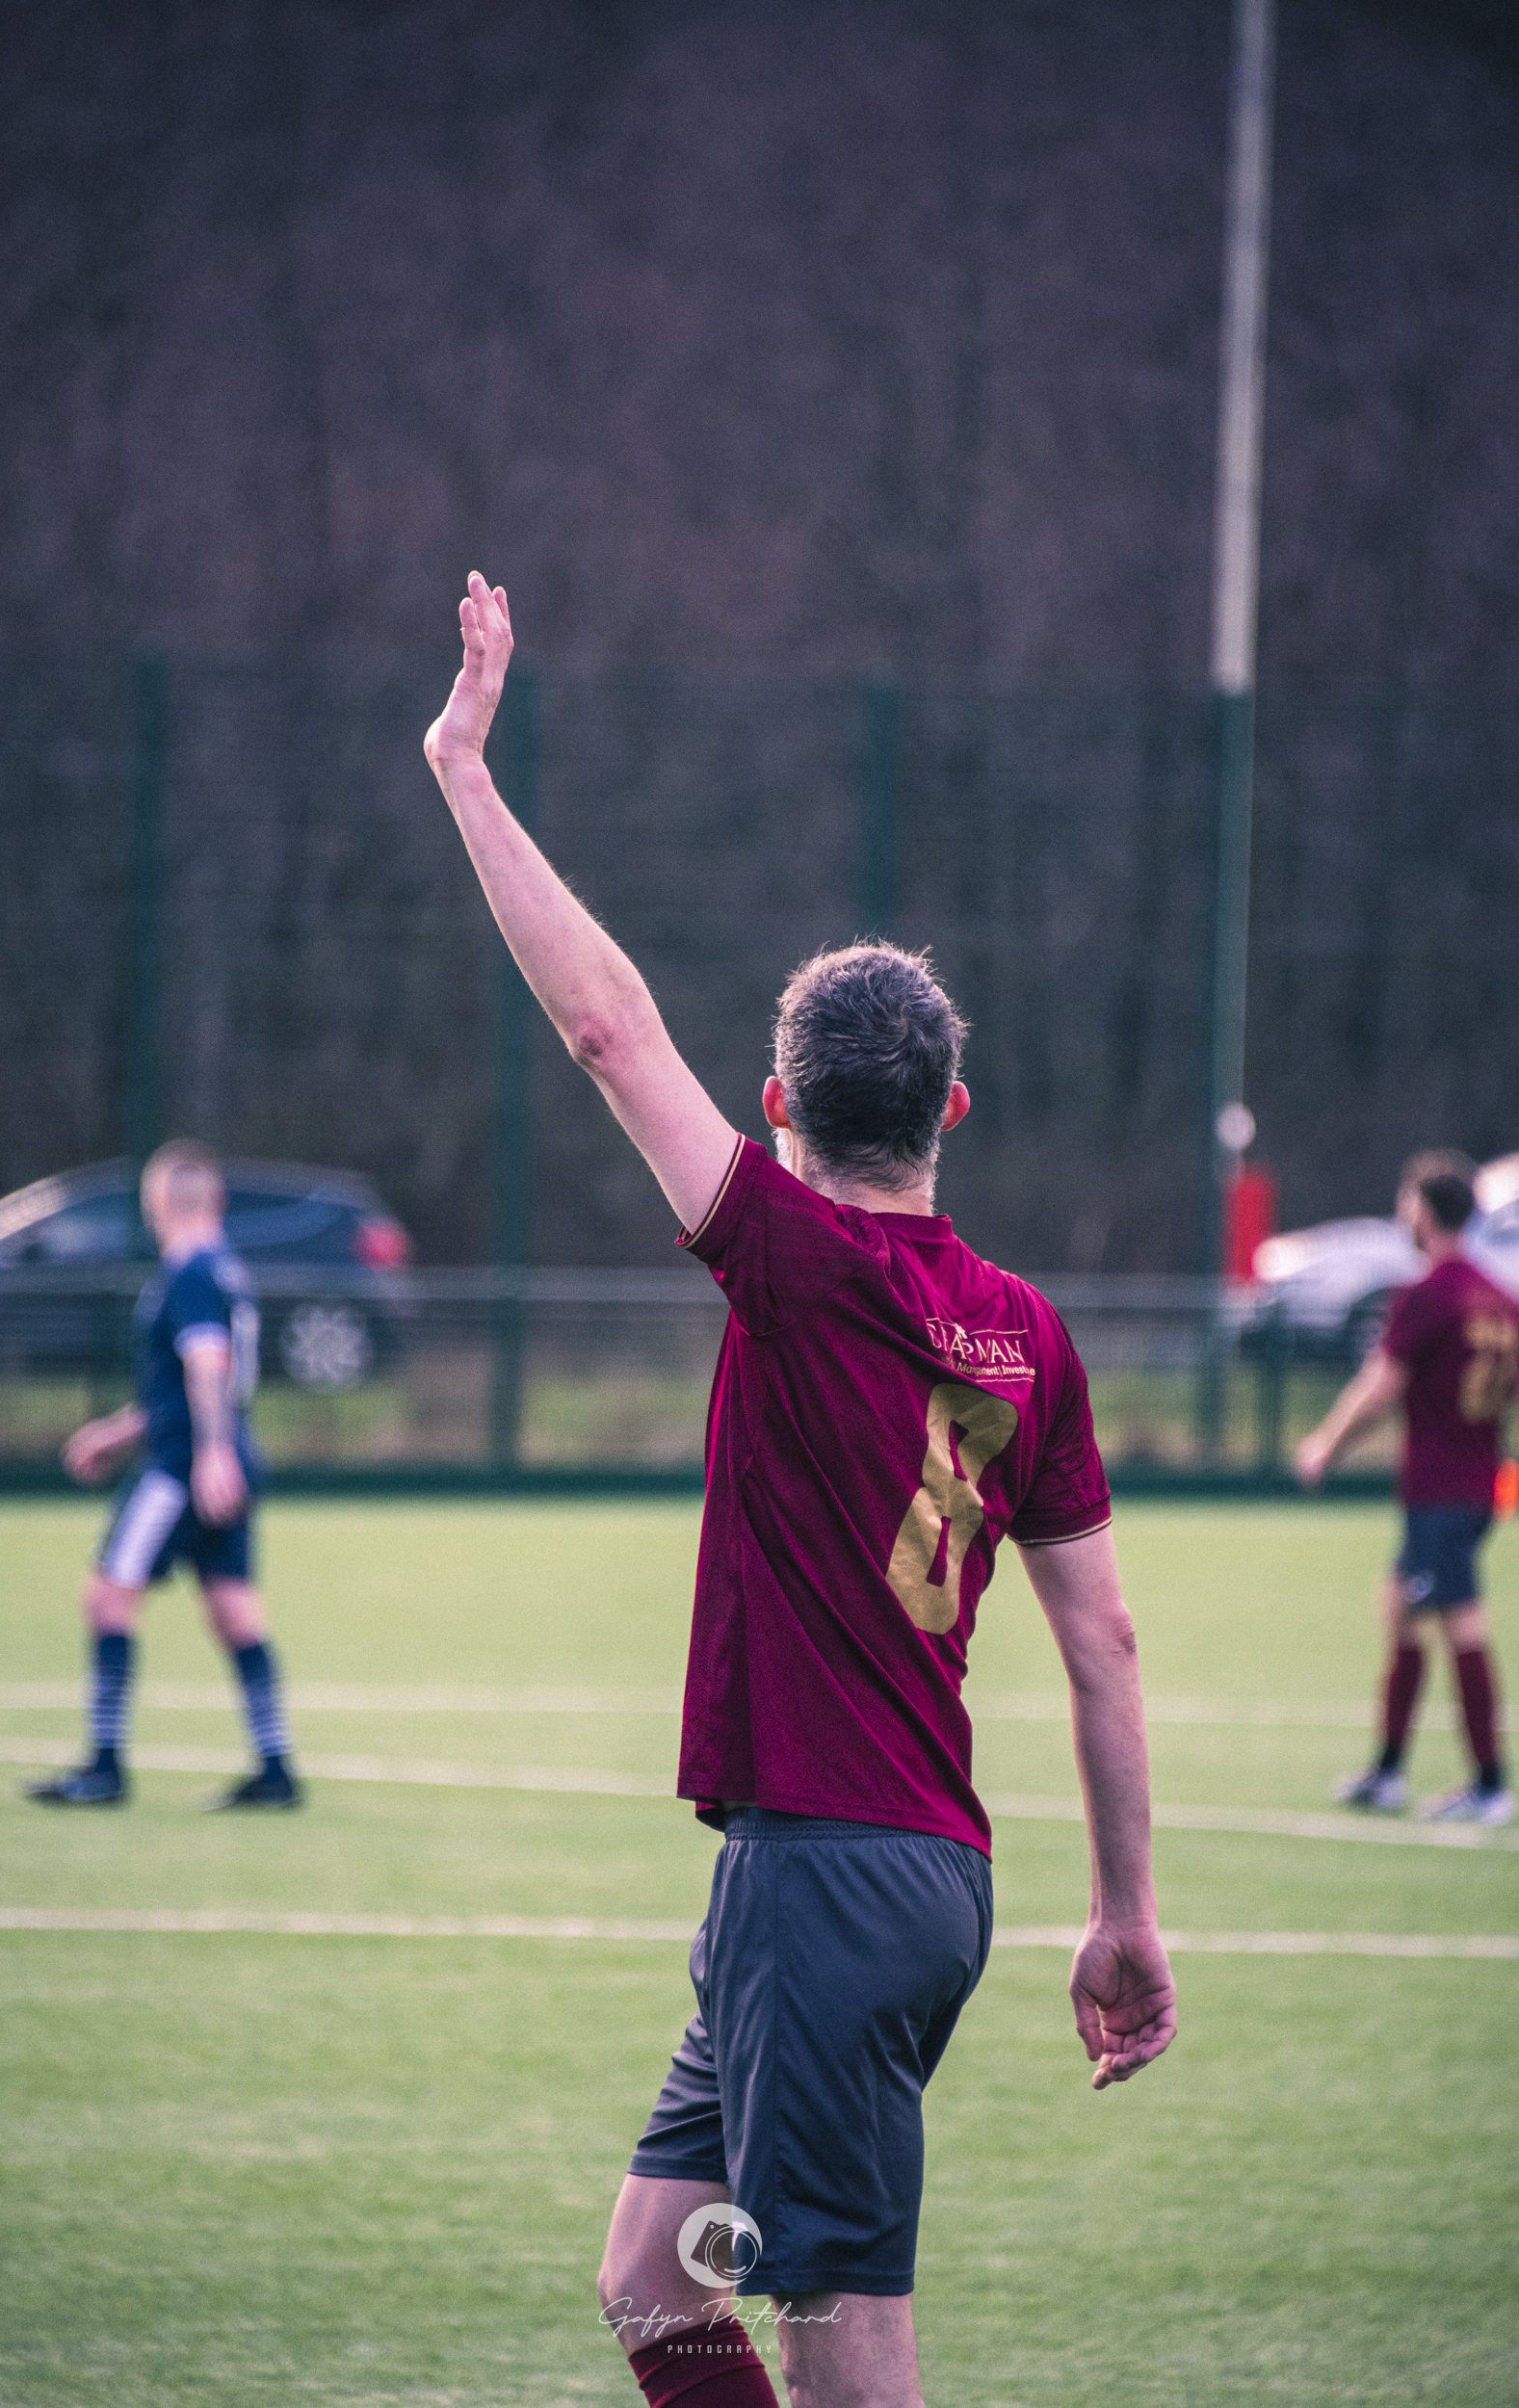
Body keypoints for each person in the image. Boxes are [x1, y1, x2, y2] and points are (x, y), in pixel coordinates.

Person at [424, 575, 1175, 2408]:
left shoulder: (787, 1258)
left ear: (774, 1107)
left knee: (844, 2342)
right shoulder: (1026, 1339)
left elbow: (606, 1027)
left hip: (824, 1889)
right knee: (655, 2280)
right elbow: (1102, 1648)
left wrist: (464, 765)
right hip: (906, 1886)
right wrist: (1125, 1918)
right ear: (953, 1115)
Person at [26, 1139, 301, 1811]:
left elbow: (207, 1363)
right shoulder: (226, 1270)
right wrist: (118, 1432)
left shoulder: (189, 1273)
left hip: (182, 1469)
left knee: (107, 1598)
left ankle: (104, 1765)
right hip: (225, 1453)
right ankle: (275, 1768)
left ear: (156, 1205)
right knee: (234, 1609)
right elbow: (186, 1381)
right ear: (220, 1202)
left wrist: (208, 1452)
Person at [1296, 1150, 1519, 1824]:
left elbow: (1380, 1388)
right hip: (1478, 1480)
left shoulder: (1427, 1295)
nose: (1402, 1213)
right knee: (1399, 1607)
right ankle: (1387, 1772)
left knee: (1460, 1622)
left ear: (1423, 1210)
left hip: (1441, 1491)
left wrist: (1323, 1446)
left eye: (1406, 1201)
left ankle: (1488, 1783)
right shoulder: (1501, 1299)